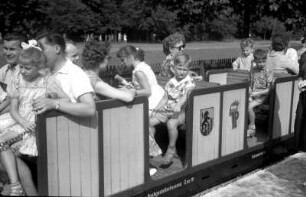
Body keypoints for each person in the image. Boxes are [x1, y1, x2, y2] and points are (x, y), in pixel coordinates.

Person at [0, 40, 68, 196]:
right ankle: (15, 185)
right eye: (21, 67)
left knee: (3, 144)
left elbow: (66, 100)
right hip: (22, 123)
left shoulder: (47, 82)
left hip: (38, 128)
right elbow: (13, 109)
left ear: (40, 68)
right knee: (2, 144)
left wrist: (51, 102)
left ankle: (15, 186)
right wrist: (23, 122)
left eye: (27, 68)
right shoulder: (18, 81)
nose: (22, 71)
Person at [149, 53, 196, 165]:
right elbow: (165, 98)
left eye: (185, 69)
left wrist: (179, 104)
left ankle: (171, 148)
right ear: (174, 68)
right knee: (149, 122)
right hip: (167, 110)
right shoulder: (171, 81)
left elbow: (186, 95)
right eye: (179, 69)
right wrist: (155, 109)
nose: (182, 72)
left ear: (188, 70)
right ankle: (153, 147)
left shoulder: (189, 82)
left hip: (181, 111)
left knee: (171, 124)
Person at [0, 32, 27, 115]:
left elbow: (20, 104)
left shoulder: (28, 72)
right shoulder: (4, 70)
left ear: (23, 49)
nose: (7, 53)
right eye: (5, 48)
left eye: (12, 49)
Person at [247, 49, 271, 138]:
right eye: (259, 62)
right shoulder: (252, 70)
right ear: (255, 61)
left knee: (249, 107)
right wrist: (250, 91)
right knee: (241, 102)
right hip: (253, 94)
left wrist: (258, 93)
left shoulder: (268, 71)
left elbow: (269, 89)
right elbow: (250, 83)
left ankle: (252, 127)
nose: (261, 64)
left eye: (263, 62)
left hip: (263, 95)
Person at [294, 45, 306, 151]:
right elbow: (300, 74)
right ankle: (300, 147)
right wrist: (300, 81)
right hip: (304, 93)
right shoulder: (303, 56)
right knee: (300, 118)